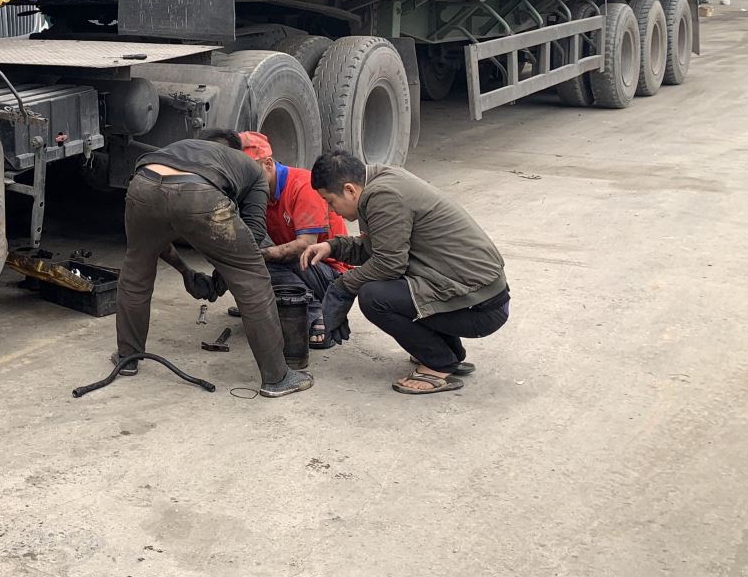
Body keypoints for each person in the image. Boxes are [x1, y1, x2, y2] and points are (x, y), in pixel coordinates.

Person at [115, 130, 312, 398]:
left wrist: (186, 271)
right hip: (198, 192)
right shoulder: (251, 170)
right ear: (234, 151)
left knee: (136, 270)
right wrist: (224, 276)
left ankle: (128, 358)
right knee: (253, 279)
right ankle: (277, 377)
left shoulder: (180, 146)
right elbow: (253, 239)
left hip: (143, 182)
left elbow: (153, 241)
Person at [301, 150, 510, 395]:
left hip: (481, 308)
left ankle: (439, 363)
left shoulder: (384, 196)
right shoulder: (380, 183)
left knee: (374, 296)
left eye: (330, 201)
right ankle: (448, 353)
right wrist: (332, 247)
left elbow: (389, 263)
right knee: (389, 285)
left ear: (349, 190)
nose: (332, 210)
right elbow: (379, 248)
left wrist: (342, 288)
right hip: (477, 295)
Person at [235, 132, 350, 348]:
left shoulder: (303, 185)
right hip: (303, 267)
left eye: (249, 175)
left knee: (267, 258)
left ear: (268, 164)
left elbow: (306, 245)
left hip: (330, 272)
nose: (244, 182)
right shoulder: (259, 193)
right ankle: (276, 302)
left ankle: (315, 310)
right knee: (248, 253)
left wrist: (260, 256)